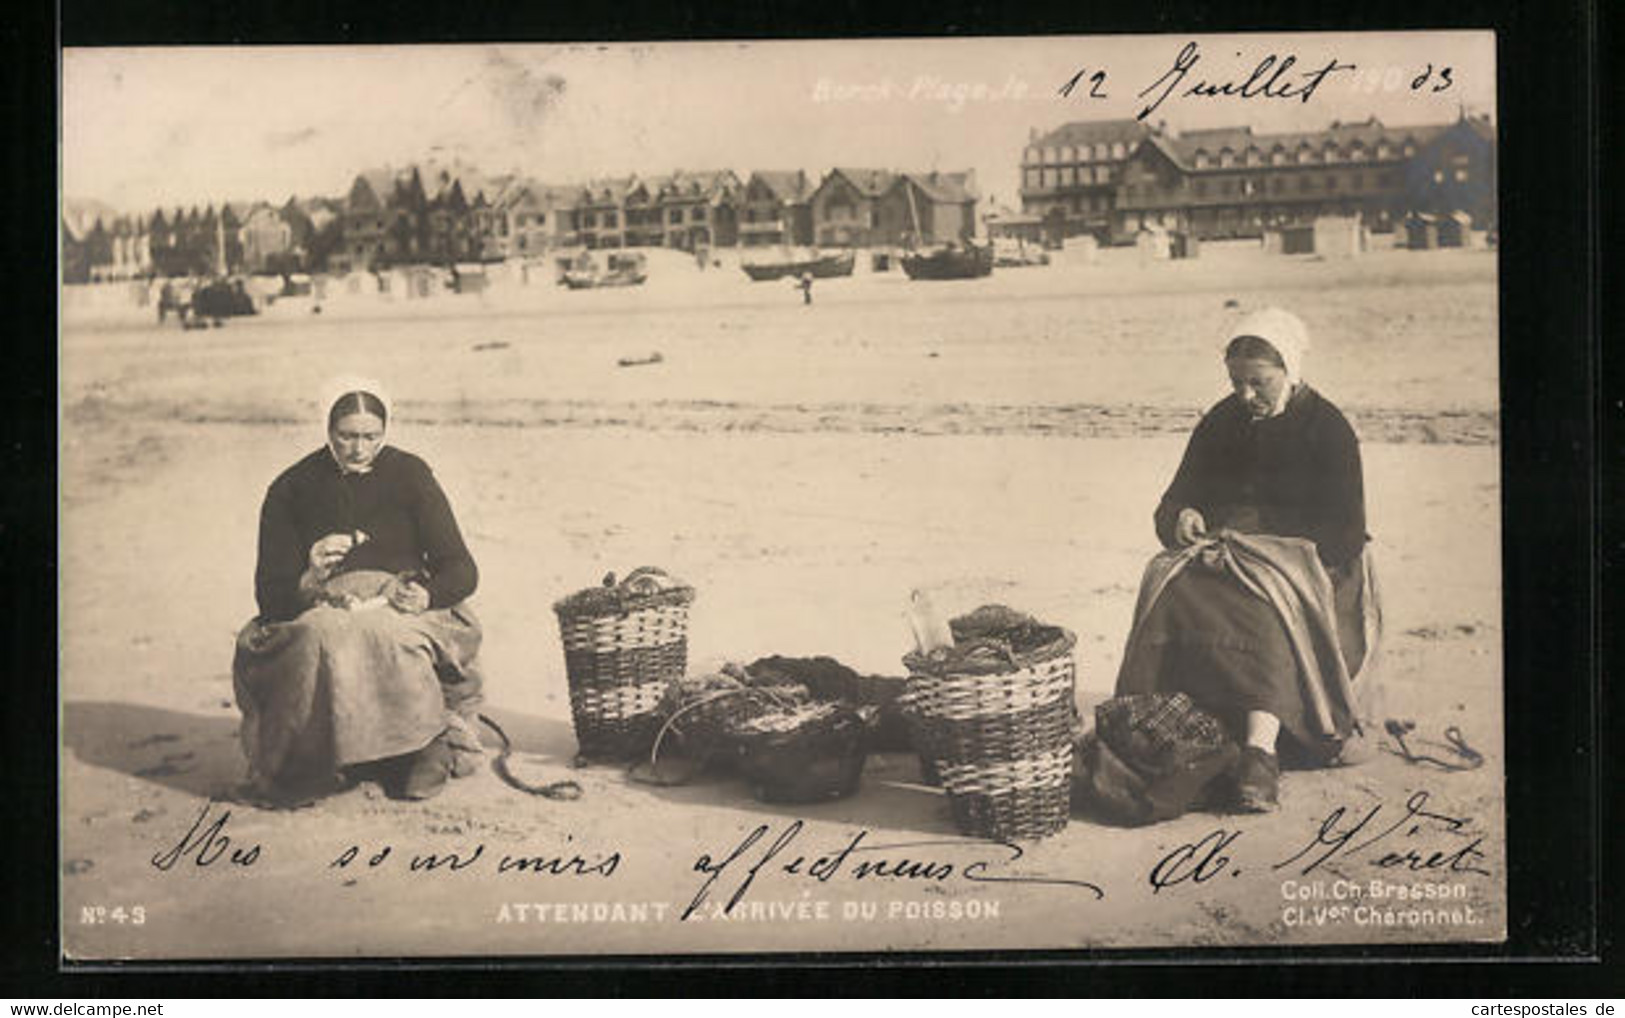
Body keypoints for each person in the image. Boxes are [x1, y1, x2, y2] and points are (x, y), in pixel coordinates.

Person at [1113, 308, 1381, 813]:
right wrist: (1182, 516)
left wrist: (1269, 553)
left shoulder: (1328, 428)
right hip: (1228, 552)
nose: (1245, 395)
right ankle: (1163, 727)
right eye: (1236, 382)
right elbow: (1174, 499)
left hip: (1309, 561)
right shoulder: (1220, 421)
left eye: (1258, 383)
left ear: (1290, 370)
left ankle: (1260, 750)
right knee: (1170, 587)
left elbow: (1345, 531)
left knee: (1261, 609)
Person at [231, 381, 486, 804]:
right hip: (323, 604)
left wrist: (427, 593)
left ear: (386, 430)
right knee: (316, 638)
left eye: (371, 437)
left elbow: (461, 568)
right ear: (327, 428)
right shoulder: (291, 487)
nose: (358, 449)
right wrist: (309, 575)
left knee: (390, 634)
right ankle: (311, 761)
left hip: (399, 598)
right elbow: (270, 595)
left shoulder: (411, 475)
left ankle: (420, 749)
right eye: (346, 436)